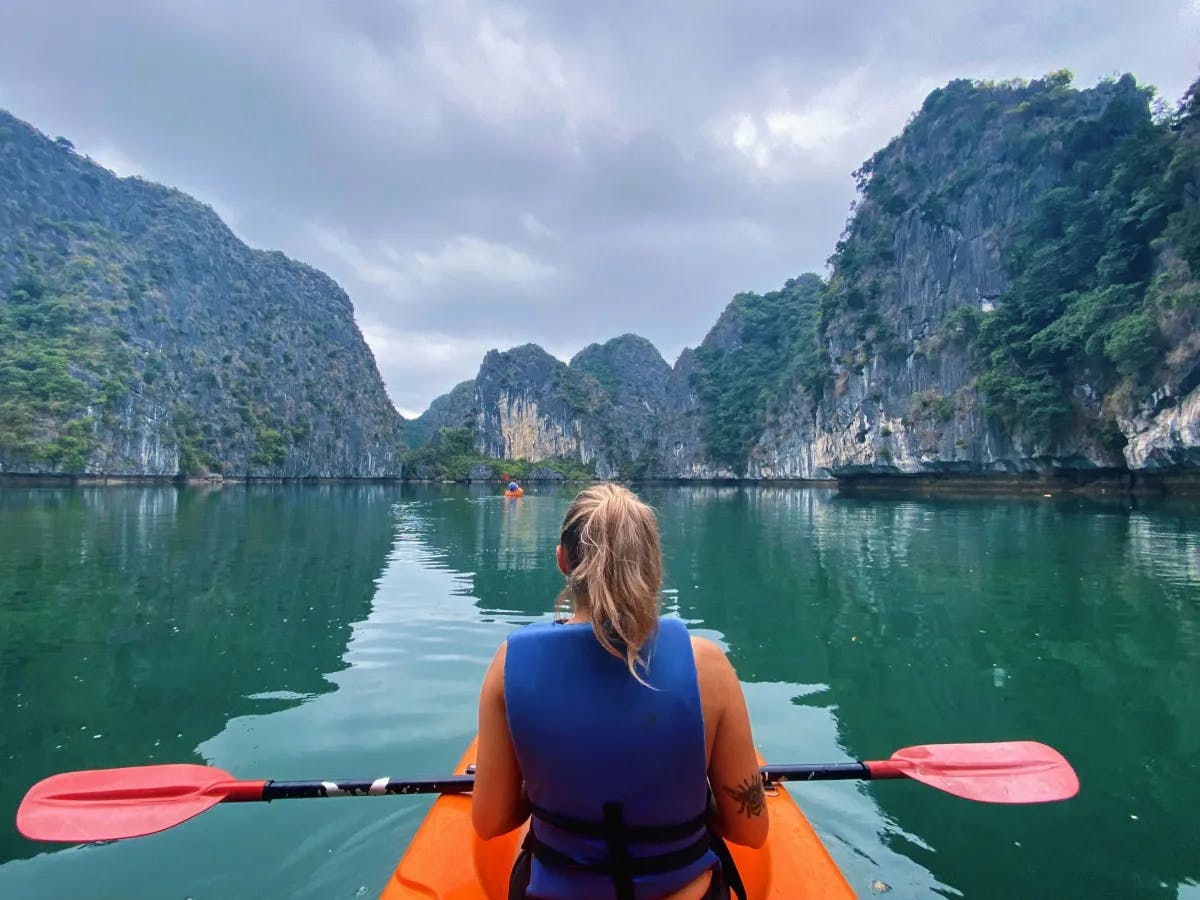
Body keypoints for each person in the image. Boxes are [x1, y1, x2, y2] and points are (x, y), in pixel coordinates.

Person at [472, 483, 767, 900]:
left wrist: (546, 783)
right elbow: (750, 831)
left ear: (562, 561)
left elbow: (489, 822)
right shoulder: (709, 667)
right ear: (652, 564)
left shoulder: (510, 666)